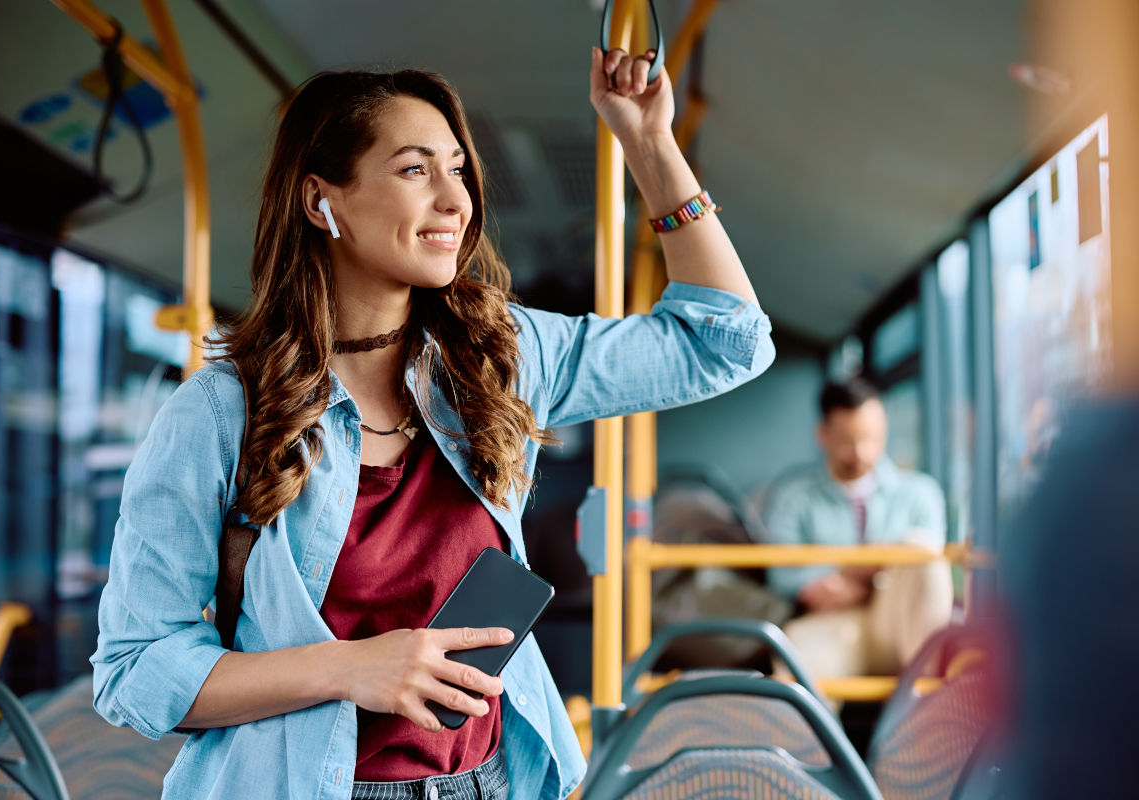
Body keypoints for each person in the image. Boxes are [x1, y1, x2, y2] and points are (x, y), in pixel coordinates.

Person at [90, 47, 775, 800]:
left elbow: (726, 341)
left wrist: (648, 140)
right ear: (323, 202)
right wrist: (353, 669)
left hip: (494, 779)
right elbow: (135, 670)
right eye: (416, 170)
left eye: (457, 169)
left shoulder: (500, 357)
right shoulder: (223, 413)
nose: (456, 201)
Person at [759, 378, 951, 678]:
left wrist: (847, 576)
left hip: (899, 623)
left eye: (872, 438)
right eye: (848, 441)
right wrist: (871, 564)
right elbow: (782, 575)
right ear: (823, 434)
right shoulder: (792, 498)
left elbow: (929, 573)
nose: (861, 452)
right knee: (798, 661)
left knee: (919, 549)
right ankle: (805, 726)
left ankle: (926, 711)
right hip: (831, 621)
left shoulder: (920, 493)